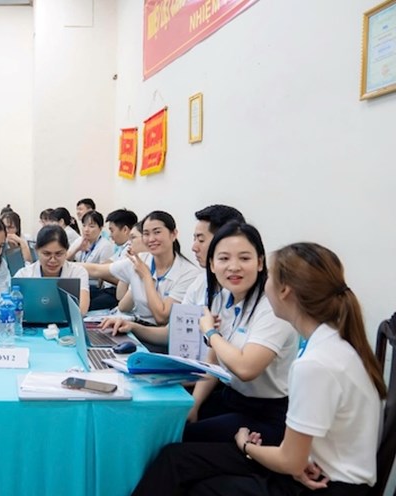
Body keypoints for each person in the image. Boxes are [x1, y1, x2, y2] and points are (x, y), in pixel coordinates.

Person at [131, 242, 386, 496]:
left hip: (326, 486)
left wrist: (244, 445)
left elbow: (290, 461)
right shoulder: (334, 342)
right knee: (179, 460)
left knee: (186, 472)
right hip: (321, 471)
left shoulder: (315, 363)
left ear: (284, 289)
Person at [181, 222, 299, 444]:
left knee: (179, 440)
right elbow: (213, 360)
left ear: (260, 263)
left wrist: (210, 333)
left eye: (244, 258)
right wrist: (194, 405)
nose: (234, 267)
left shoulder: (272, 306)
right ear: (212, 265)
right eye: (224, 259)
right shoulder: (223, 297)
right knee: (168, 423)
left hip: (264, 415)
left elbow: (246, 368)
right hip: (230, 399)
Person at [102, 205, 245, 350]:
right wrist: (132, 327)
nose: (194, 247)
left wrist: (211, 333)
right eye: (194, 239)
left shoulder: (256, 299)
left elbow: (244, 368)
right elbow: (172, 333)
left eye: (201, 240)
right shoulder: (200, 283)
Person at [113, 211, 200, 325]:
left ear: (173, 234)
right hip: (138, 325)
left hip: (158, 335)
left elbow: (161, 318)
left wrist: (146, 277)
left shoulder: (190, 273)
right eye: (146, 234)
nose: (151, 239)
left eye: (157, 232)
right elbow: (123, 305)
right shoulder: (142, 260)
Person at [15, 225, 90, 315]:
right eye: (47, 254)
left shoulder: (77, 272)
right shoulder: (23, 275)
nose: (53, 260)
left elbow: (82, 309)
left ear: (66, 251)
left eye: (59, 254)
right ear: (36, 250)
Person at [81, 208, 139, 310]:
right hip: (109, 290)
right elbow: (106, 264)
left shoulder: (131, 250)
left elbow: (119, 279)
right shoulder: (122, 248)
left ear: (125, 230)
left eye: (112, 230)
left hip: (116, 294)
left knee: (87, 304)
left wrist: (100, 274)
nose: (110, 235)